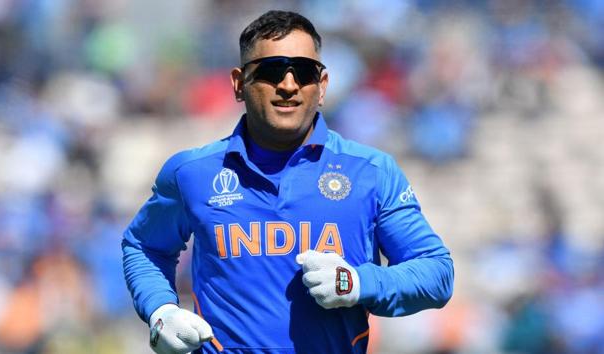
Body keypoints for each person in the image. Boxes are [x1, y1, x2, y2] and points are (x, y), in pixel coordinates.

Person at [122, 10, 454, 354]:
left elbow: (436, 273)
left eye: (305, 72)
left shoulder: (371, 171)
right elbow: (144, 246)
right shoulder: (192, 173)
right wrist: (161, 309)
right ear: (239, 83)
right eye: (271, 70)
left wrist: (357, 282)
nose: (289, 85)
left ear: (322, 86)